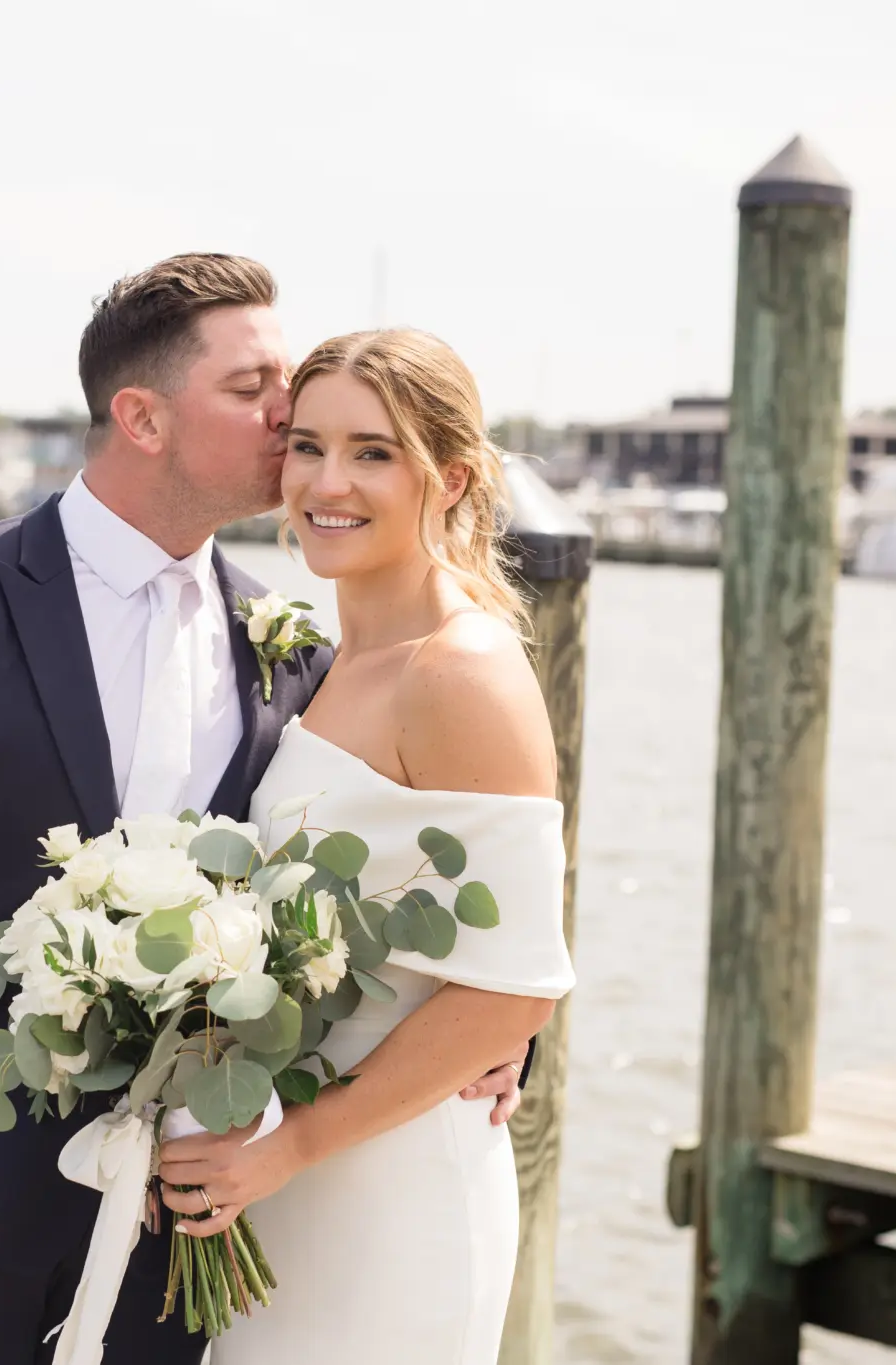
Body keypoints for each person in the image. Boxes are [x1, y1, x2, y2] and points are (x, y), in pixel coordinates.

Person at [0, 257, 530, 1364]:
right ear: (141, 416)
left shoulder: (293, 649)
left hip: (188, 1233)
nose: (290, 411)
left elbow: (391, 881)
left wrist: (494, 1041)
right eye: (254, 385)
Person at [155, 328, 576, 1364]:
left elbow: (514, 990)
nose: (325, 481)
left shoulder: (459, 670)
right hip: (289, 1184)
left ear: (452, 478)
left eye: (372, 452)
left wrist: (289, 1146)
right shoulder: (328, 657)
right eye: (305, 446)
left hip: (388, 1193)